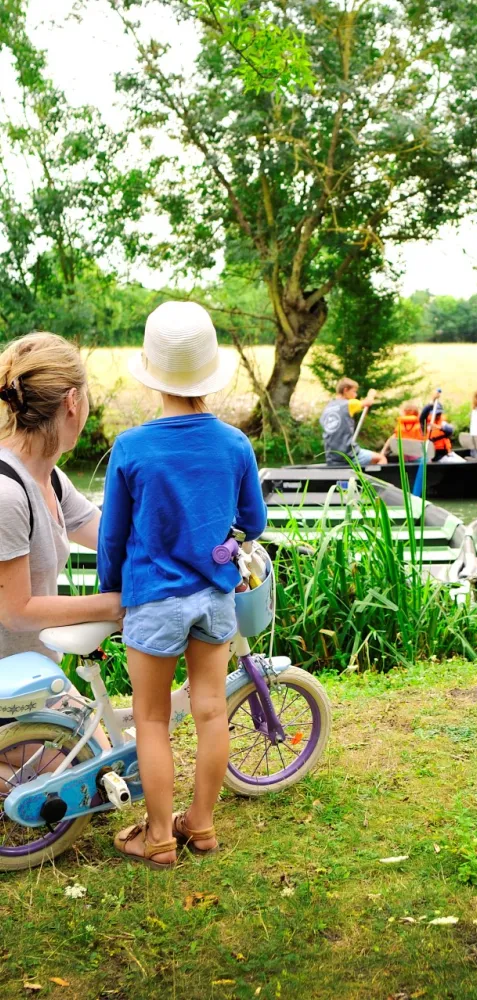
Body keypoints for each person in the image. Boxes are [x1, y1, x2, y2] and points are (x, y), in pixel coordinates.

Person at [98, 301, 267, 869]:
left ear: (151, 370)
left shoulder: (131, 448)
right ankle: (203, 825)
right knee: (211, 711)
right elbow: (254, 523)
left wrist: (111, 592)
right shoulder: (234, 444)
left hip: (152, 600)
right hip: (214, 597)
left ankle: (160, 837)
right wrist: (221, 544)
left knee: (149, 719)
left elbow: (112, 539)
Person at [0, 333, 122, 732]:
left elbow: (110, 536)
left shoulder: (49, 478)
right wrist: (115, 605)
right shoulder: (7, 493)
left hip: (30, 677)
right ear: (73, 402)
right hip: (9, 687)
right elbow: (17, 612)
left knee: (102, 753)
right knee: (97, 777)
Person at [320, 377, 387, 467]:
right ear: (345, 390)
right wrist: (371, 393)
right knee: (381, 458)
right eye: (354, 391)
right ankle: (369, 480)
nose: (355, 395)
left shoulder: (327, 408)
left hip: (331, 457)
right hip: (348, 454)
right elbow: (368, 402)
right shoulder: (348, 404)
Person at [419, 392, 465, 464]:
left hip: (446, 454)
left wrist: (438, 427)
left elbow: (450, 430)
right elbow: (422, 416)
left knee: (464, 462)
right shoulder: (426, 425)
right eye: (436, 413)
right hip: (436, 457)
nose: (438, 415)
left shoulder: (443, 423)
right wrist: (432, 401)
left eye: (439, 413)